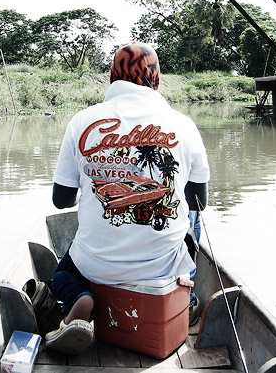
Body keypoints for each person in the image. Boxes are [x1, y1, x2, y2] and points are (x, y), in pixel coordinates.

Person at [43, 42, 210, 355]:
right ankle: (186, 300)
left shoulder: (82, 121)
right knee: (195, 212)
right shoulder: (184, 125)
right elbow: (199, 200)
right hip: (164, 268)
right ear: (156, 80)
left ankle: (81, 297)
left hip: (96, 267)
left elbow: (61, 201)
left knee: (63, 274)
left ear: (112, 78)